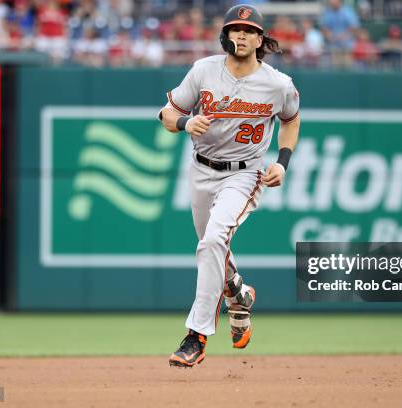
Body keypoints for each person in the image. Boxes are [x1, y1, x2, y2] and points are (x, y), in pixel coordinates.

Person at [159, 4, 300, 368]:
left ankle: (197, 335)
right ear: (226, 34)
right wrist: (185, 123)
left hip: (245, 173)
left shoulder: (277, 83)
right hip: (201, 170)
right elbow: (166, 113)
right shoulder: (204, 70)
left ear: (260, 39)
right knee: (213, 247)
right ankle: (238, 293)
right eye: (236, 29)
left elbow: (291, 120)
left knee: (211, 241)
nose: (242, 35)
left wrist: (282, 163)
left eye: (250, 30)